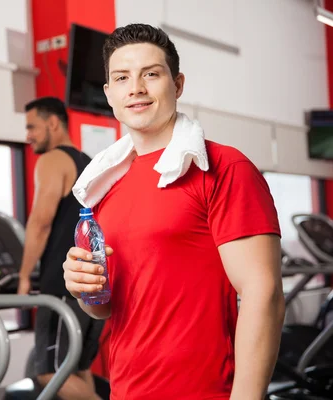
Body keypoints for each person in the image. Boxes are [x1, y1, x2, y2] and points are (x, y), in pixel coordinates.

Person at [62, 24, 286, 400]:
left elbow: (264, 293)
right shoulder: (104, 183)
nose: (136, 88)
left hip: (207, 391)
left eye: (151, 74)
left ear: (177, 84)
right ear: (109, 93)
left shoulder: (224, 167)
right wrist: (84, 288)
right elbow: (107, 309)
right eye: (122, 78)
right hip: (128, 390)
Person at [17, 97, 105, 400]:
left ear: (53, 123)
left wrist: (25, 277)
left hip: (62, 285)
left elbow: (40, 223)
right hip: (90, 283)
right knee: (78, 370)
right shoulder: (88, 162)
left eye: (32, 126)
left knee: (48, 372)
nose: (27, 135)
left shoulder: (52, 160)